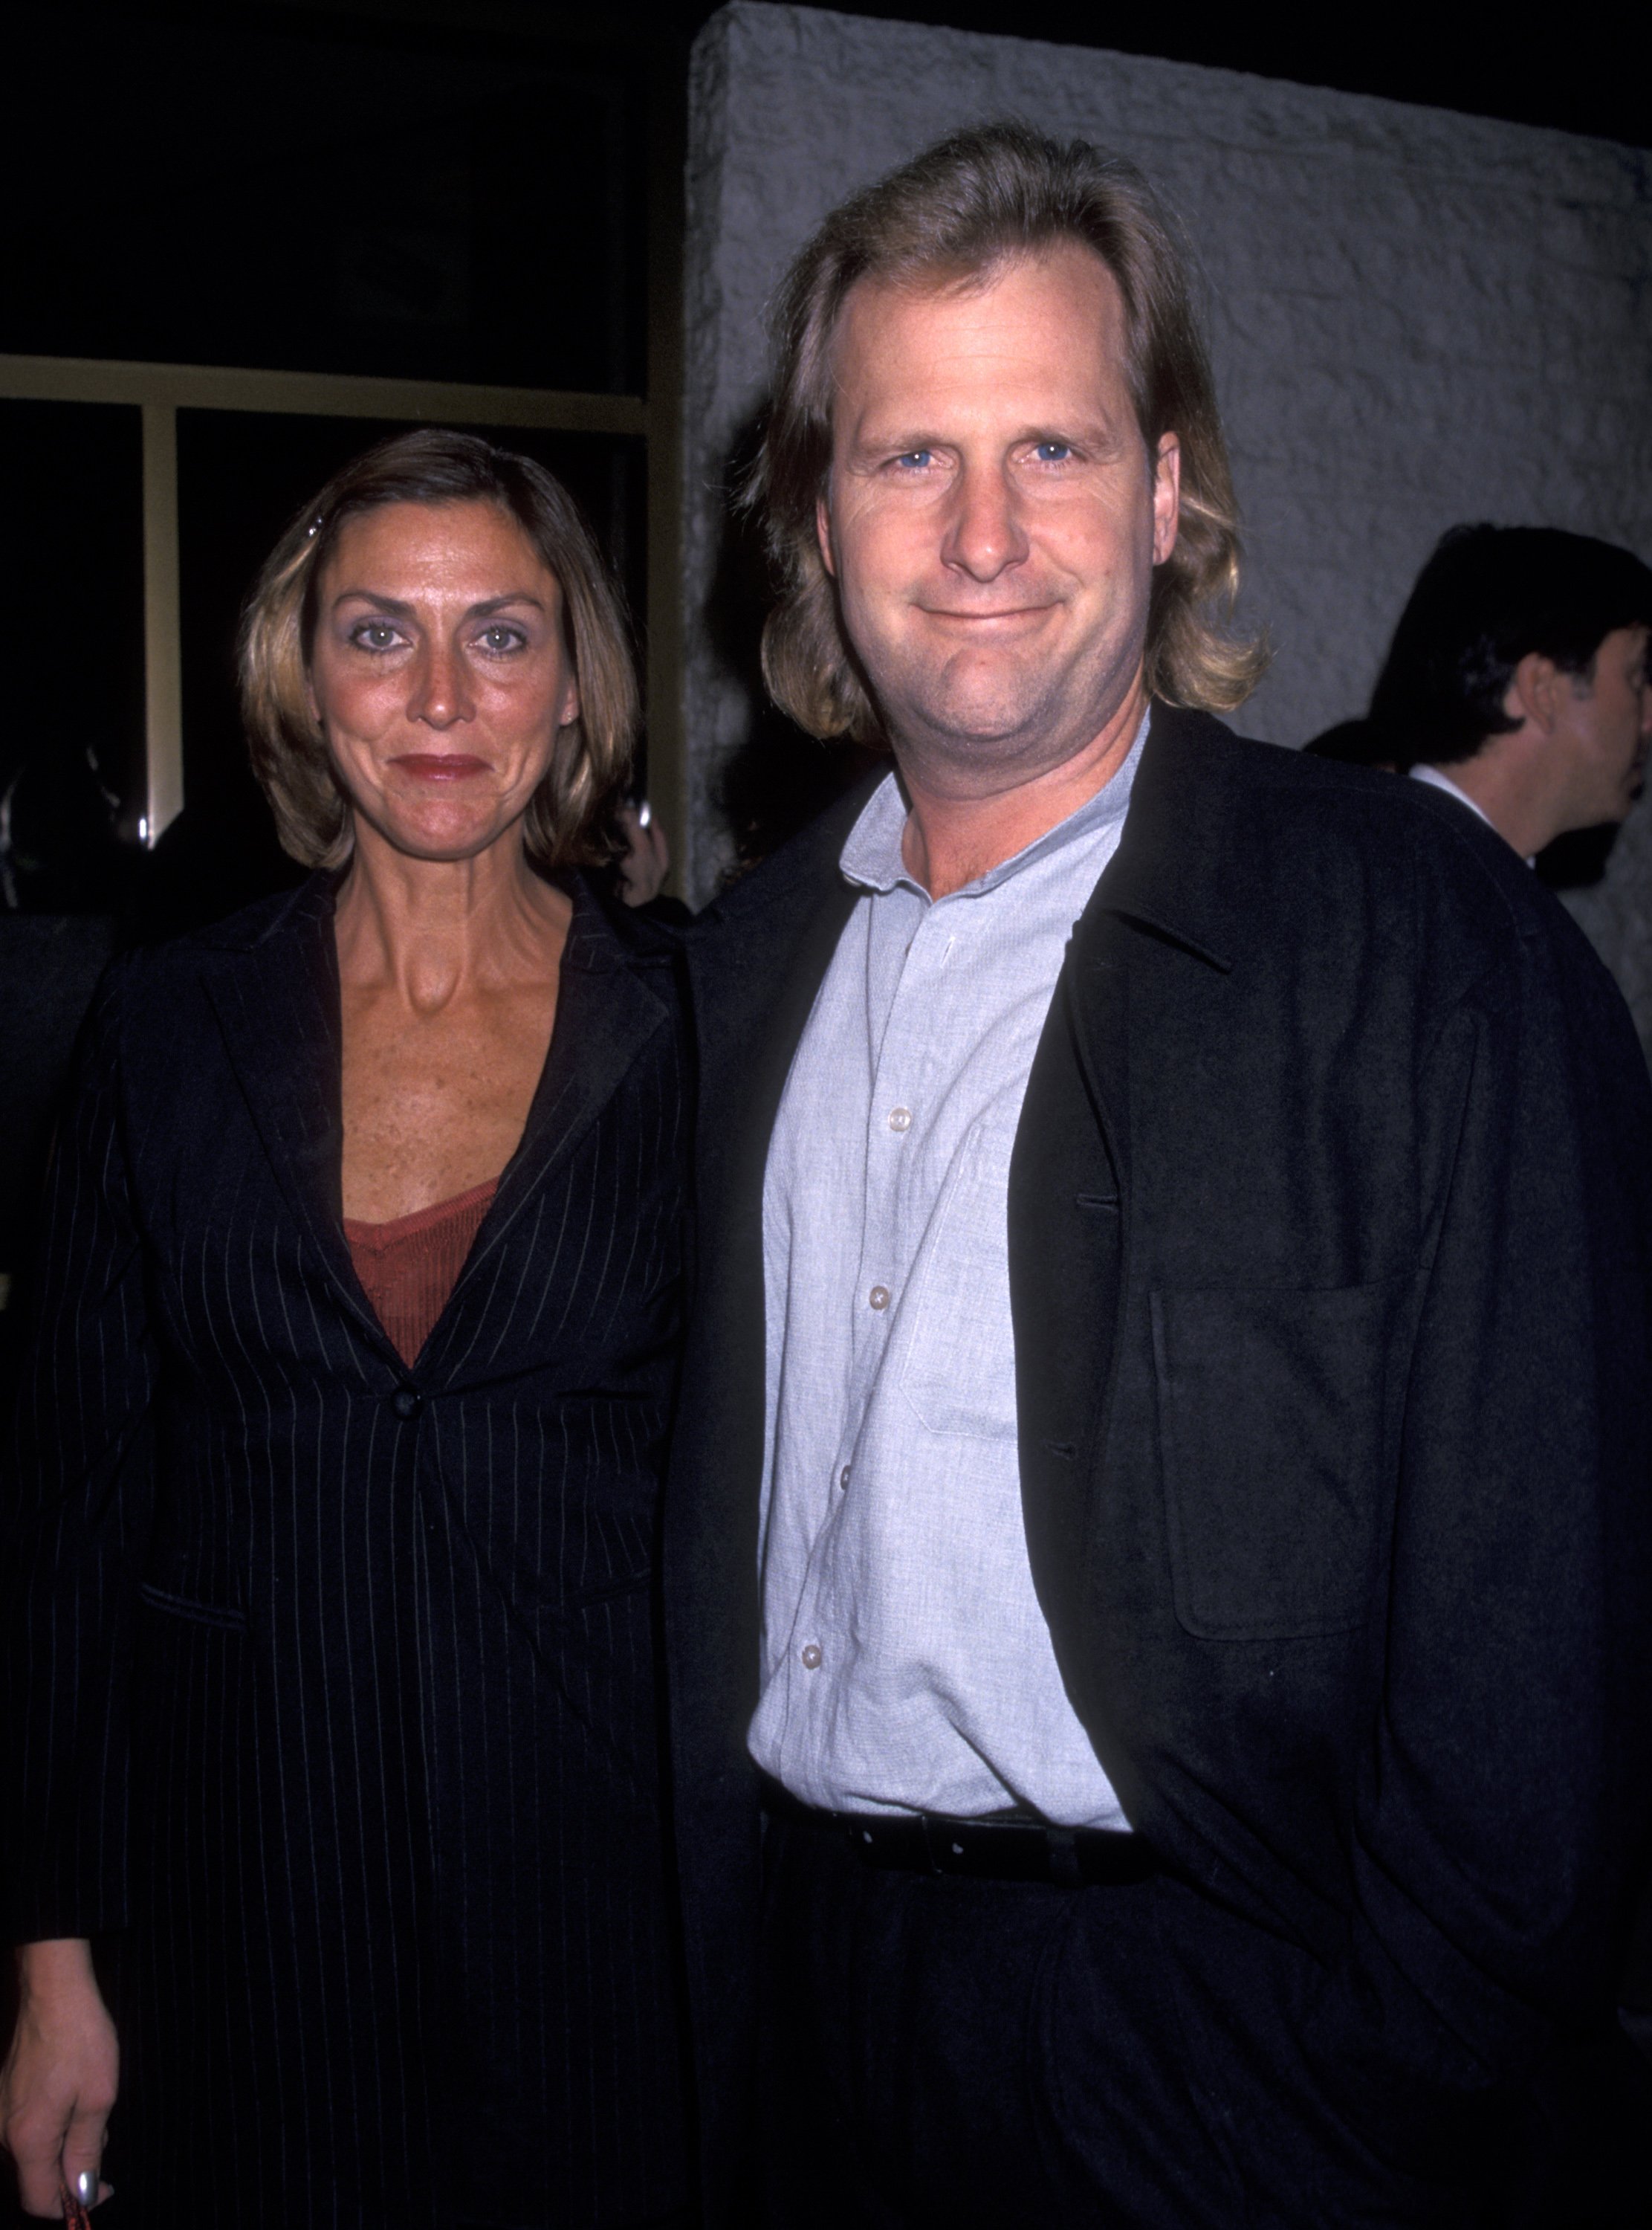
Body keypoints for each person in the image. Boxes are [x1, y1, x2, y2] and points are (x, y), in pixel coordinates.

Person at [663, 123, 1652, 2226]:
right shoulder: (743, 973)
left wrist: (1379, 2102)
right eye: (905, 456)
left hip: (1222, 2065)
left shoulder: (1415, 945)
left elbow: (1539, 1648)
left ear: (1166, 492)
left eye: (1055, 445)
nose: (982, 531)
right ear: (812, 520)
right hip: (801, 2030)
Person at [1, 430, 694, 2229]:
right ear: (306, 681)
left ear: (573, 682)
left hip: (608, 1937)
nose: (444, 693)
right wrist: (52, 1958)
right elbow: (68, 1518)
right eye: (382, 634)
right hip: (245, 1926)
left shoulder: (703, 1026)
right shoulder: (162, 1028)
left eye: (503, 634)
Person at [1367, 523, 1652, 858]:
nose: (1649, 718)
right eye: (1636, 678)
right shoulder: (1352, 880)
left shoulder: (1402, 866)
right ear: (1542, 691)